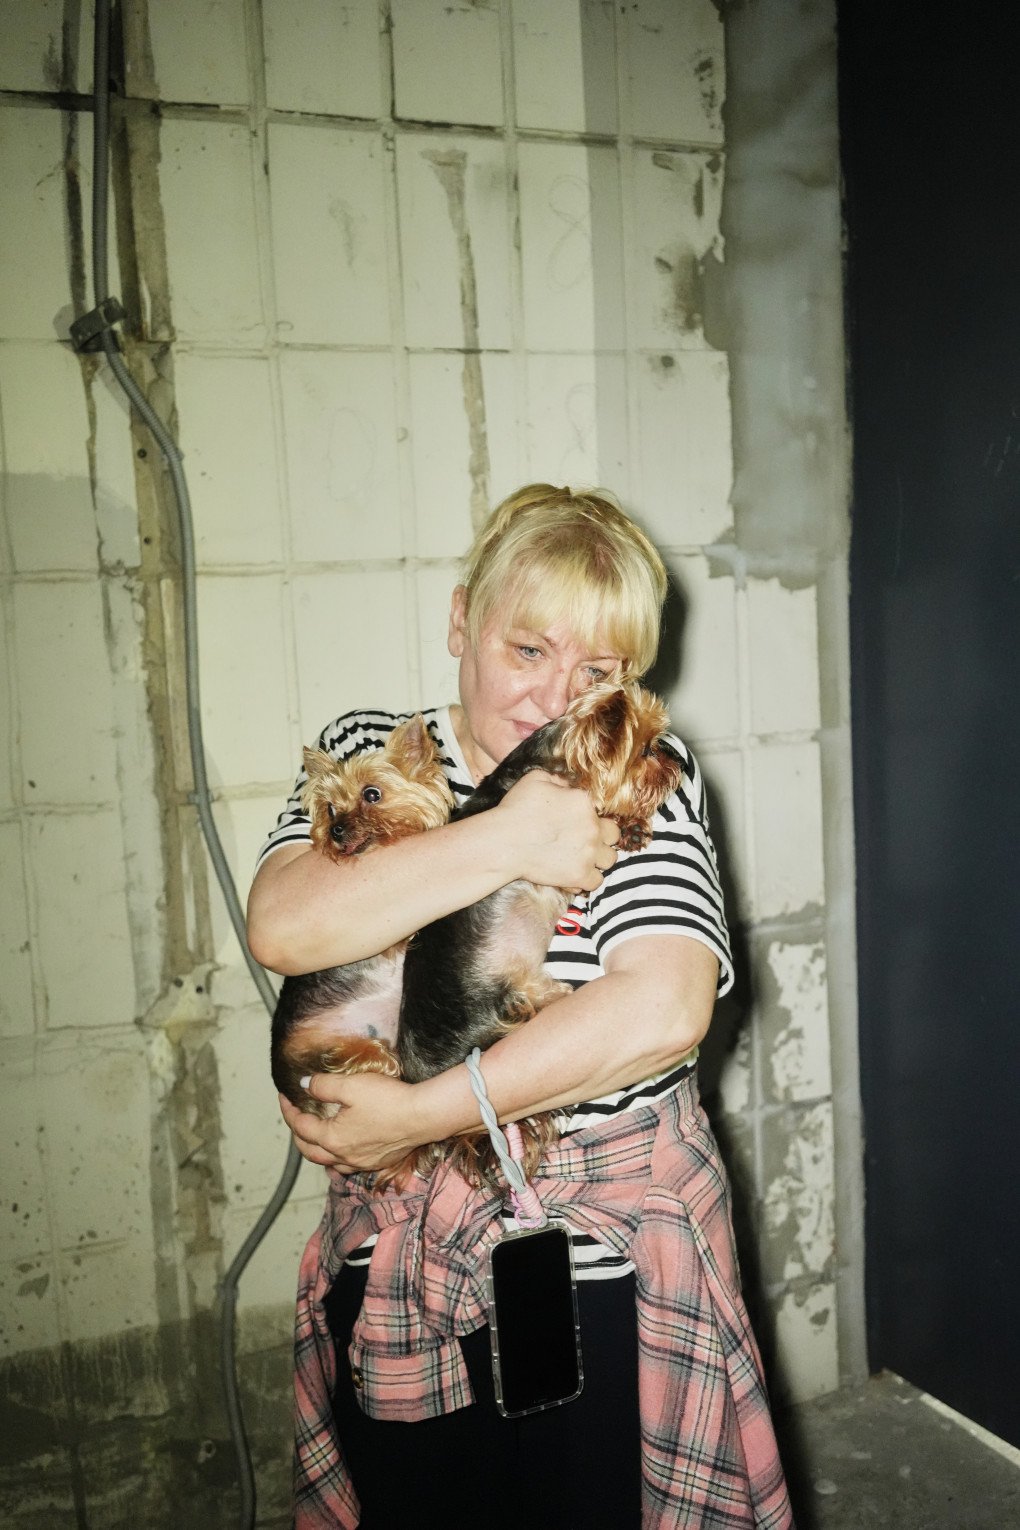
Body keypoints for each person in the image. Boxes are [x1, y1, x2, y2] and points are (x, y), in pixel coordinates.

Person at [247, 484, 793, 1530]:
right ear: (461, 621)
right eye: (528, 651)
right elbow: (286, 924)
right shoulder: (374, 753)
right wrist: (512, 839)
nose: (558, 702)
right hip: (403, 1255)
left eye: (600, 670)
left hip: (602, 1266)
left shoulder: (637, 772)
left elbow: (664, 1009)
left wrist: (415, 1115)